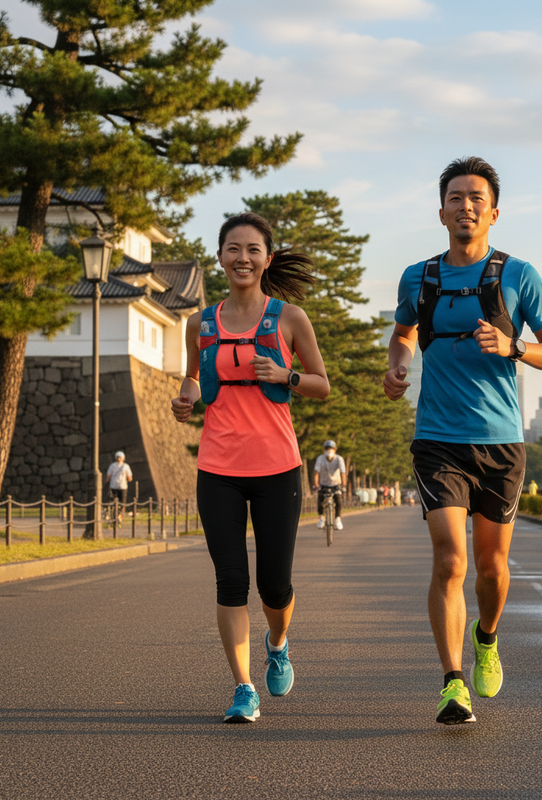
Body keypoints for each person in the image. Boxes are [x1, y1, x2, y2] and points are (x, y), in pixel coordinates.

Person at [383, 157, 542, 725]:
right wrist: (397, 368)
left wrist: (513, 348)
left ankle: (486, 637)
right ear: (440, 212)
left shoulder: (519, 275)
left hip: (501, 442)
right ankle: (452, 682)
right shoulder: (419, 277)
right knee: (450, 560)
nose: (466, 206)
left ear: (493, 211)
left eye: (476, 198)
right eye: (455, 197)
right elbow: (403, 334)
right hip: (437, 439)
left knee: (491, 568)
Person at [171, 212, 330, 724]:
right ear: (220, 257)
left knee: (275, 586)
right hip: (217, 467)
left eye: (253, 249)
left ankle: (277, 643)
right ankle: (243, 688)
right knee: (230, 580)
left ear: (267, 258)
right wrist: (184, 398)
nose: (243, 258)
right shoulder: (200, 323)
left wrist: (286, 374)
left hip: (278, 467)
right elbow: (193, 379)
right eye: (233, 249)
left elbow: (321, 384)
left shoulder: (289, 318)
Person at [313, 440, 347, 531]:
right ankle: (321, 518)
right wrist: (316, 484)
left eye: (331, 448)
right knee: (320, 500)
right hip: (323, 483)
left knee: (338, 500)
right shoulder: (320, 458)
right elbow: (316, 472)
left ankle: (337, 519)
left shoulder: (339, 459)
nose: (329, 450)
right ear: (324, 449)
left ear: (335, 450)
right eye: (327, 448)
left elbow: (343, 472)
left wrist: (344, 484)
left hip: (336, 484)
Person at [105, 451, 132, 524]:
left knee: (117, 502)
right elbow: (130, 478)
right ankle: (117, 515)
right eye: (118, 457)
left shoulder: (115, 466)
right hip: (118, 486)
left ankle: (117, 515)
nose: (119, 459)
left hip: (118, 486)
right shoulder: (121, 466)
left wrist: (105, 483)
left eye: (120, 457)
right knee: (121, 502)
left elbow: (108, 477)